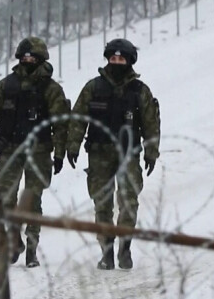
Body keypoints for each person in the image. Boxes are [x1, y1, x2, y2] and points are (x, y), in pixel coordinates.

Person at [0, 37, 70, 268]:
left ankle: (31, 248)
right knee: (6, 198)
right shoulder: (6, 86)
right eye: (24, 57)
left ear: (40, 59)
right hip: (9, 149)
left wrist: (60, 153)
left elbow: (61, 125)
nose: (27, 60)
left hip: (39, 151)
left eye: (32, 57)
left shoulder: (51, 89)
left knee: (32, 200)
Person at [66, 38, 160, 270]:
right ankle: (106, 250)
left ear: (129, 61)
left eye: (121, 59)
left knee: (129, 201)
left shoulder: (140, 91)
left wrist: (151, 152)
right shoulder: (93, 88)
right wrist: (72, 146)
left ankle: (125, 247)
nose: (116, 62)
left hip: (129, 153)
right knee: (102, 203)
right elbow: (78, 119)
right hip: (99, 154)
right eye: (113, 58)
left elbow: (151, 123)